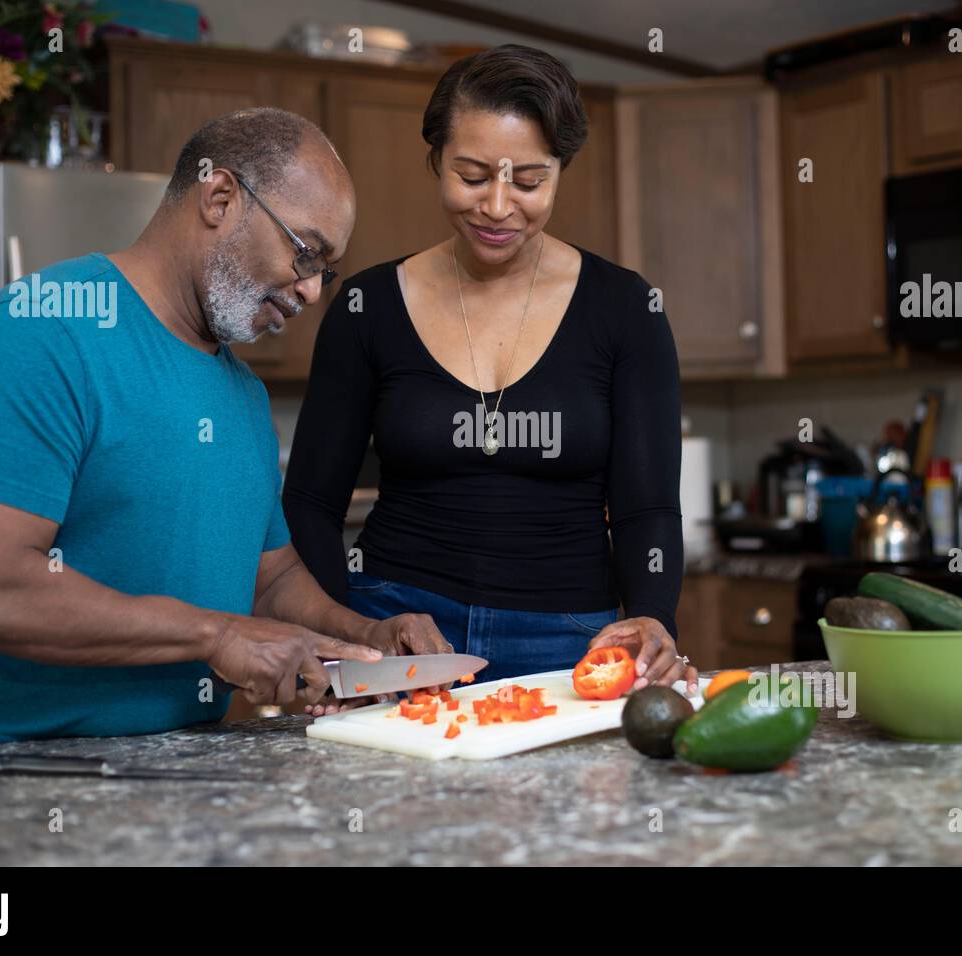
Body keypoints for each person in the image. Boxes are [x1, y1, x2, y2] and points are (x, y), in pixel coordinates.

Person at [0, 108, 448, 749]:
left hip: (171, 769)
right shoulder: (40, 330)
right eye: (305, 253)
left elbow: (270, 578)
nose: (312, 291)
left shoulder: (242, 394)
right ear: (219, 196)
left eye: (328, 270)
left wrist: (362, 639)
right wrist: (217, 634)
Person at [283, 45, 695, 717]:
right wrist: (339, 640)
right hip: (399, 633)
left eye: (529, 182)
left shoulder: (626, 310)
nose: (498, 207)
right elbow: (310, 503)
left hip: (569, 642)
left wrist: (652, 615)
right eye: (471, 176)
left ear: (561, 170)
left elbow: (647, 509)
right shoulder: (368, 307)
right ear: (436, 161)